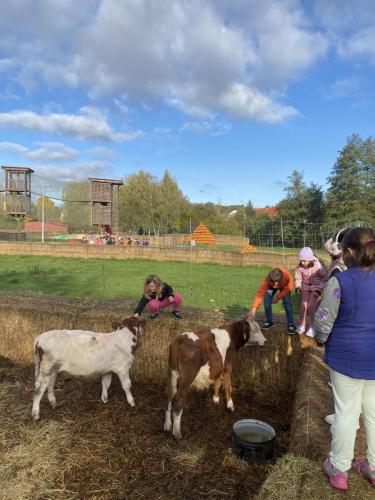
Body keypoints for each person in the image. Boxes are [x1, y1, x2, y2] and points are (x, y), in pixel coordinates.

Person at [314, 227, 375, 491]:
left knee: (346, 414)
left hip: (347, 359)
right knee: (374, 414)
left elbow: (324, 318)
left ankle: (339, 469)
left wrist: (320, 337)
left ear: (348, 251)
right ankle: (372, 467)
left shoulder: (339, 281)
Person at [249, 268, 296, 335]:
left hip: (285, 287)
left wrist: (278, 297)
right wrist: (254, 308)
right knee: (267, 300)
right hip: (271, 285)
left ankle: (291, 324)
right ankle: (269, 321)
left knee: (287, 303)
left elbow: (290, 287)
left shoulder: (287, 276)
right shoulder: (268, 279)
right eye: (274, 284)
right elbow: (260, 292)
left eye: (276, 284)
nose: (275, 286)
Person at [295, 247, 326, 337]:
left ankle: (313, 327)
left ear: (310, 260)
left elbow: (325, 278)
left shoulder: (317, 266)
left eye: (305, 261)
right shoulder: (299, 267)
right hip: (305, 288)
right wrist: (298, 287)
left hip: (316, 288)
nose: (303, 263)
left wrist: (319, 290)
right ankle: (302, 325)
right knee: (303, 306)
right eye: (301, 261)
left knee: (311, 306)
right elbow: (298, 278)